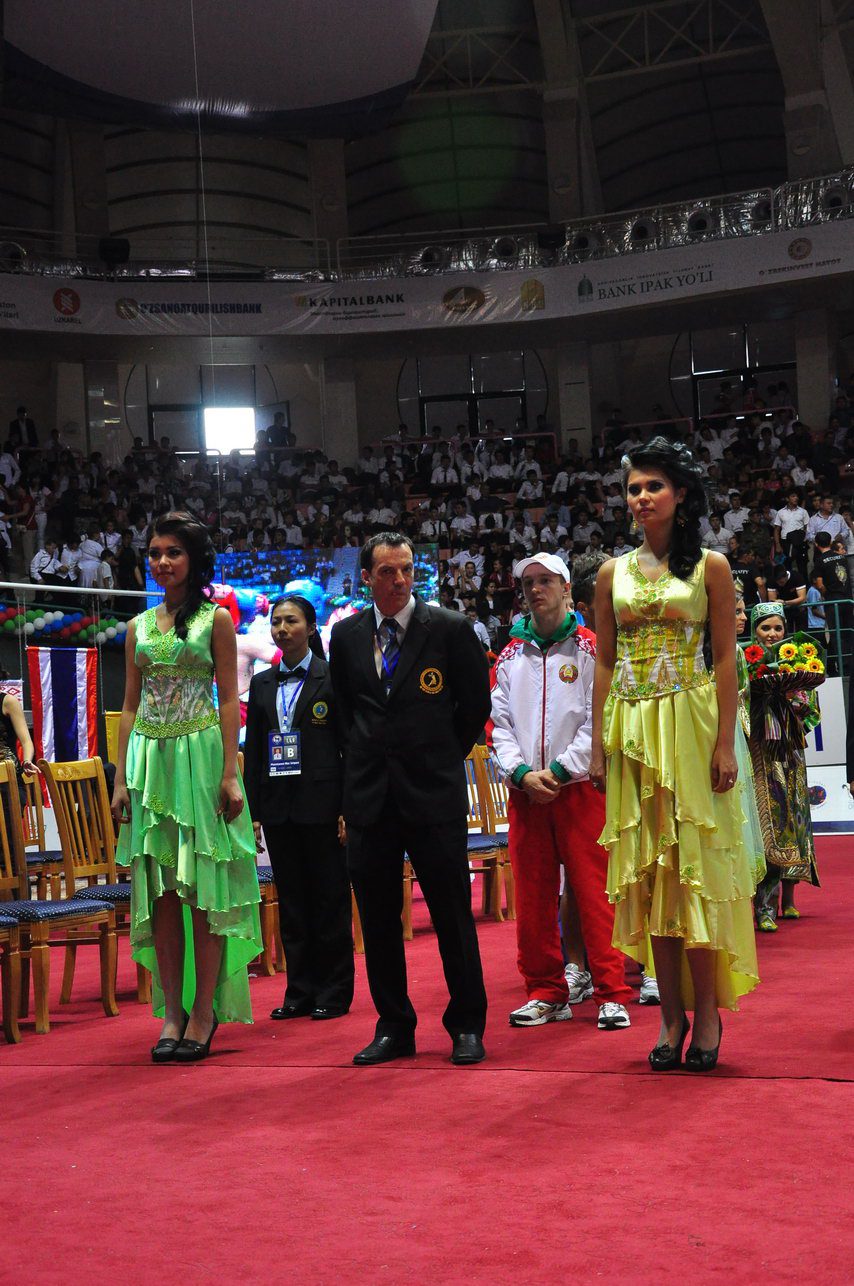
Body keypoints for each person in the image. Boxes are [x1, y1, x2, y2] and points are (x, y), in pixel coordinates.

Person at [590, 438, 760, 1073]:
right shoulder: (610, 573)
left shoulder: (711, 565)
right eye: (633, 489)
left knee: (696, 870)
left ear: (680, 494)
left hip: (690, 725)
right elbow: (604, 661)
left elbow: (725, 659)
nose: (641, 498)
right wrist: (601, 745)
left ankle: (708, 1014)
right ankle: (670, 1016)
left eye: (653, 486)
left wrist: (725, 742)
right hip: (633, 727)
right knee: (649, 873)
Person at [329, 532, 491, 1067]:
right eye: (387, 572)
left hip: (433, 793)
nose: (399, 581)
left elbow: (475, 706)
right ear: (366, 578)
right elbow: (346, 713)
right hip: (370, 797)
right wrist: (365, 761)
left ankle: (466, 1025)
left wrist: (439, 754)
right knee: (378, 921)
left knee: (452, 916)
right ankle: (394, 1026)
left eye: (406, 570)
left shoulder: (449, 628)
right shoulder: (346, 636)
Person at [111, 512, 262, 1063]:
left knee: (203, 891)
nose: (162, 562)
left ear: (194, 559)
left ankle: (203, 1012)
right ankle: (171, 1011)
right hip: (151, 763)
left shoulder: (214, 620)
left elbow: (229, 699)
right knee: (163, 895)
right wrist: (121, 776)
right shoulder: (137, 626)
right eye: (155, 553)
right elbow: (129, 705)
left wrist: (229, 772)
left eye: (173, 552)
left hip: (200, 758)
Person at [490, 553, 634, 1032]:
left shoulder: (592, 649)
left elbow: (600, 717)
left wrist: (556, 770)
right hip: (527, 794)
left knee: (595, 894)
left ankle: (612, 992)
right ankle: (546, 992)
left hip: (577, 790)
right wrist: (520, 774)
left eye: (546, 581)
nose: (536, 590)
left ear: (567, 588)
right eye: (528, 582)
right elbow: (500, 724)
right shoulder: (510, 656)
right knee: (532, 900)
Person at [243, 595, 354, 1021]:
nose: (282, 629)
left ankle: (334, 991)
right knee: (292, 903)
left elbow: (349, 746)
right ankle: (299, 991)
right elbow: (255, 752)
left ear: (310, 628)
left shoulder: (333, 677)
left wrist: (347, 806)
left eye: (291, 621)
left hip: (324, 805)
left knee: (329, 900)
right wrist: (254, 811)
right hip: (278, 807)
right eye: (276, 622)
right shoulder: (262, 683)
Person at [747, 603, 820, 931]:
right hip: (758, 754)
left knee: (794, 819)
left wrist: (792, 700)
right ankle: (764, 906)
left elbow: (812, 713)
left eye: (778, 628)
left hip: (790, 754)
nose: (773, 634)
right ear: (754, 631)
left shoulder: (800, 661)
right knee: (766, 825)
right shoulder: (746, 662)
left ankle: (789, 898)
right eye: (766, 628)